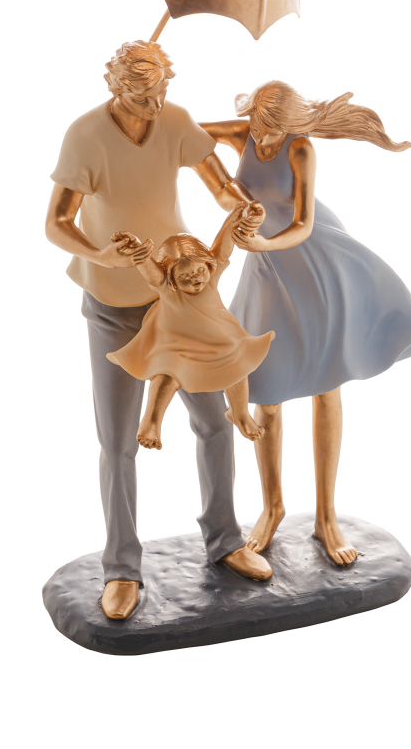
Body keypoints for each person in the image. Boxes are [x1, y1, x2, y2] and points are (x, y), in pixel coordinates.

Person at [45, 40, 271, 621]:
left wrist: (241, 208)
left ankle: (225, 539)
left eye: (162, 90)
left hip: (180, 296)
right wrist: (103, 255)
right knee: (119, 441)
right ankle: (122, 566)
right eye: (143, 94)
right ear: (115, 85)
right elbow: (56, 223)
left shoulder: (173, 120)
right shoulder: (85, 136)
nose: (156, 103)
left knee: (214, 420)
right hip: (113, 303)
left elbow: (218, 183)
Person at [201, 82, 411, 566]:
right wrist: (227, 194)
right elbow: (188, 136)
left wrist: (261, 242)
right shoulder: (242, 133)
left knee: (326, 385)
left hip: (311, 259)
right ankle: (272, 507)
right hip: (267, 270)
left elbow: (303, 223)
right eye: (258, 122)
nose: (261, 133)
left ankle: (326, 517)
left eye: (272, 126)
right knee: (265, 389)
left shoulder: (301, 149)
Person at [106, 205, 274, 451]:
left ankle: (239, 413)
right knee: (166, 375)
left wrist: (235, 218)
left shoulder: (211, 276)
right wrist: (137, 250)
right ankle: (151, 421)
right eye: (185, 277)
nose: (196, 279)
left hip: (218, 339)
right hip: (176, 344)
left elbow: (222, 245)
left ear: (208, 265)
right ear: (172, 279)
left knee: (237, 365)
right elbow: (151, 271)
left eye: (199, 271)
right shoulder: (166, 286)